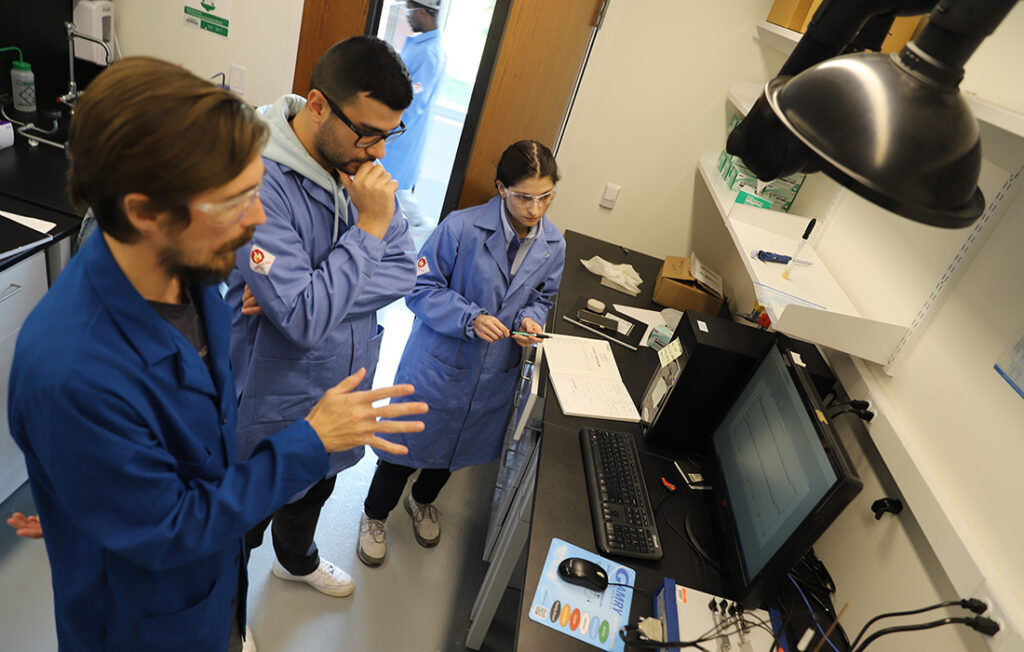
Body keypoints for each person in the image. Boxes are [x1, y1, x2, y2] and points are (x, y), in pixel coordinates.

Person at [6, 57, 427, 652]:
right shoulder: (71, 374)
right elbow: (174, 530)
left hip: (206, 583)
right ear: (145, 213)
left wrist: (86, 499)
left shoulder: (190, 276)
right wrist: (311, 437)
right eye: (235, 202)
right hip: (143, 623)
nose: (256, 220)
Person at [224, 36, 417, 598]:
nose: (379, 152)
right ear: (316, 105)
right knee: (249, 516)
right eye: (370, 133)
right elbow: (305, 319)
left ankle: (298, 562)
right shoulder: (256, 181)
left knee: (316, 491)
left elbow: (404, 269)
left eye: (390, 134)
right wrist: (370, 231)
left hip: (344, 380)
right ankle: (229, 617)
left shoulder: (353, 159)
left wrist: (310, 290)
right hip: (274, 392)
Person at [357, 140, 566, 565]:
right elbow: (419, 289)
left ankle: (422, 500)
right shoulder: (461, 228)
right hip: (439, 361)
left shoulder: (553, 245)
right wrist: (470, 318)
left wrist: (530, 320)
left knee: (455, 446)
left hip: (494, 371)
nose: (535, 208)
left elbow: (542, 297)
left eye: (545, 196)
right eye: (524, 196)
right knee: (405, 444)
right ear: (501, 188)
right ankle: (374, 516)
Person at [379, 0, 447, 224]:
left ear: (422, 12)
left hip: (401, 139)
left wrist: (386, 131)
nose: (406, 16)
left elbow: (413, 103)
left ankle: (422, 227)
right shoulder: (421, 46)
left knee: (397, 194)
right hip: (397, 137)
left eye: (409, 11)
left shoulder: (429, 54)